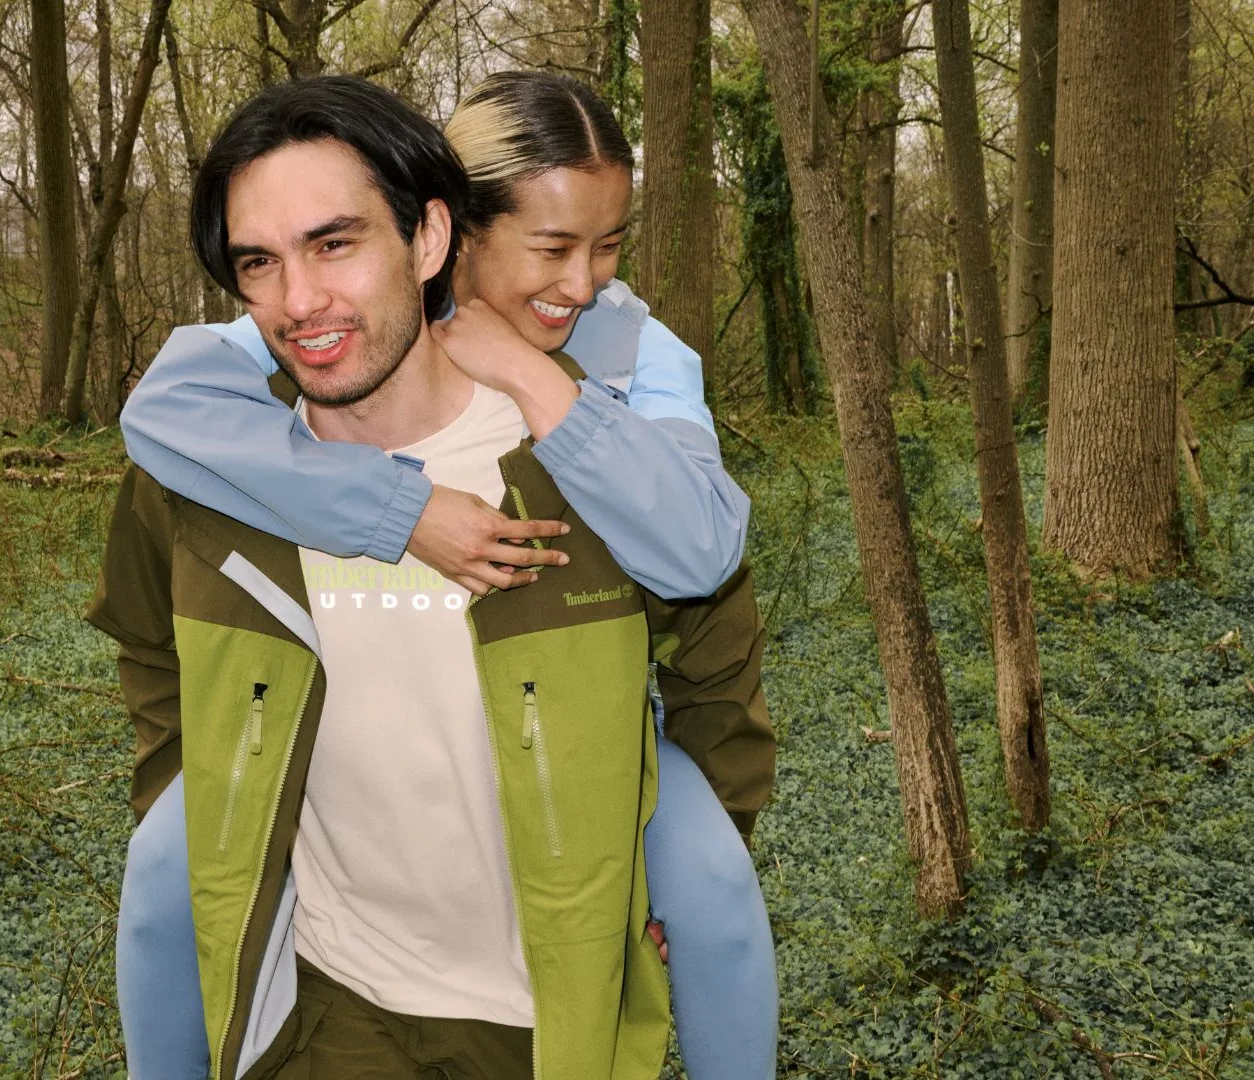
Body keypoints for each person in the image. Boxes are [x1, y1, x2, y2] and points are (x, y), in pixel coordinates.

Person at [90, 75, 773, 1080]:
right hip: (330, 1011)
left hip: (547, 1024)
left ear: (429, 236)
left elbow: (713, 629)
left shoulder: (609, 438)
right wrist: (217, 817)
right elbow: (153, 645)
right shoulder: (216, 463)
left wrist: (671, 867)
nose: (300, 299)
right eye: (259, 262)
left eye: (335, 243)